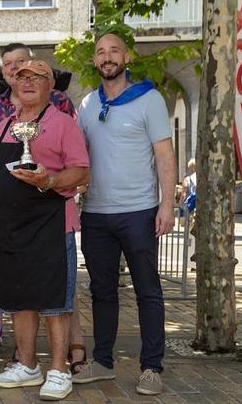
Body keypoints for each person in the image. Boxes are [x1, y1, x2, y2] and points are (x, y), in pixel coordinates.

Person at [0, 59, 89, 400]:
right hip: (10, 228)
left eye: (37, 77)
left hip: (51, 225)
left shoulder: (63, 123)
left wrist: (49, 180)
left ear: (50, 85)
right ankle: (27, 365)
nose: (27, 82)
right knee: (19, 297)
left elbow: (82, 172)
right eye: (22, 76)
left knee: (54, 301)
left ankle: (58, 369)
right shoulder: (4, 125)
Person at [74, 33, 176, 396]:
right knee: (101, 292)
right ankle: (102, 362)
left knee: (148, 291)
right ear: (95, 61)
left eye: (114, 50)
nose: (107, 57)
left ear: (127, 56)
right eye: (101, 52)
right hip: (95, 213)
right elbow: (77, 155)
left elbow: (164, 155)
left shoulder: (149, 99)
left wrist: (167, 204)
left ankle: (151, 367)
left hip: (139, 212)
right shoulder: (87, 104)